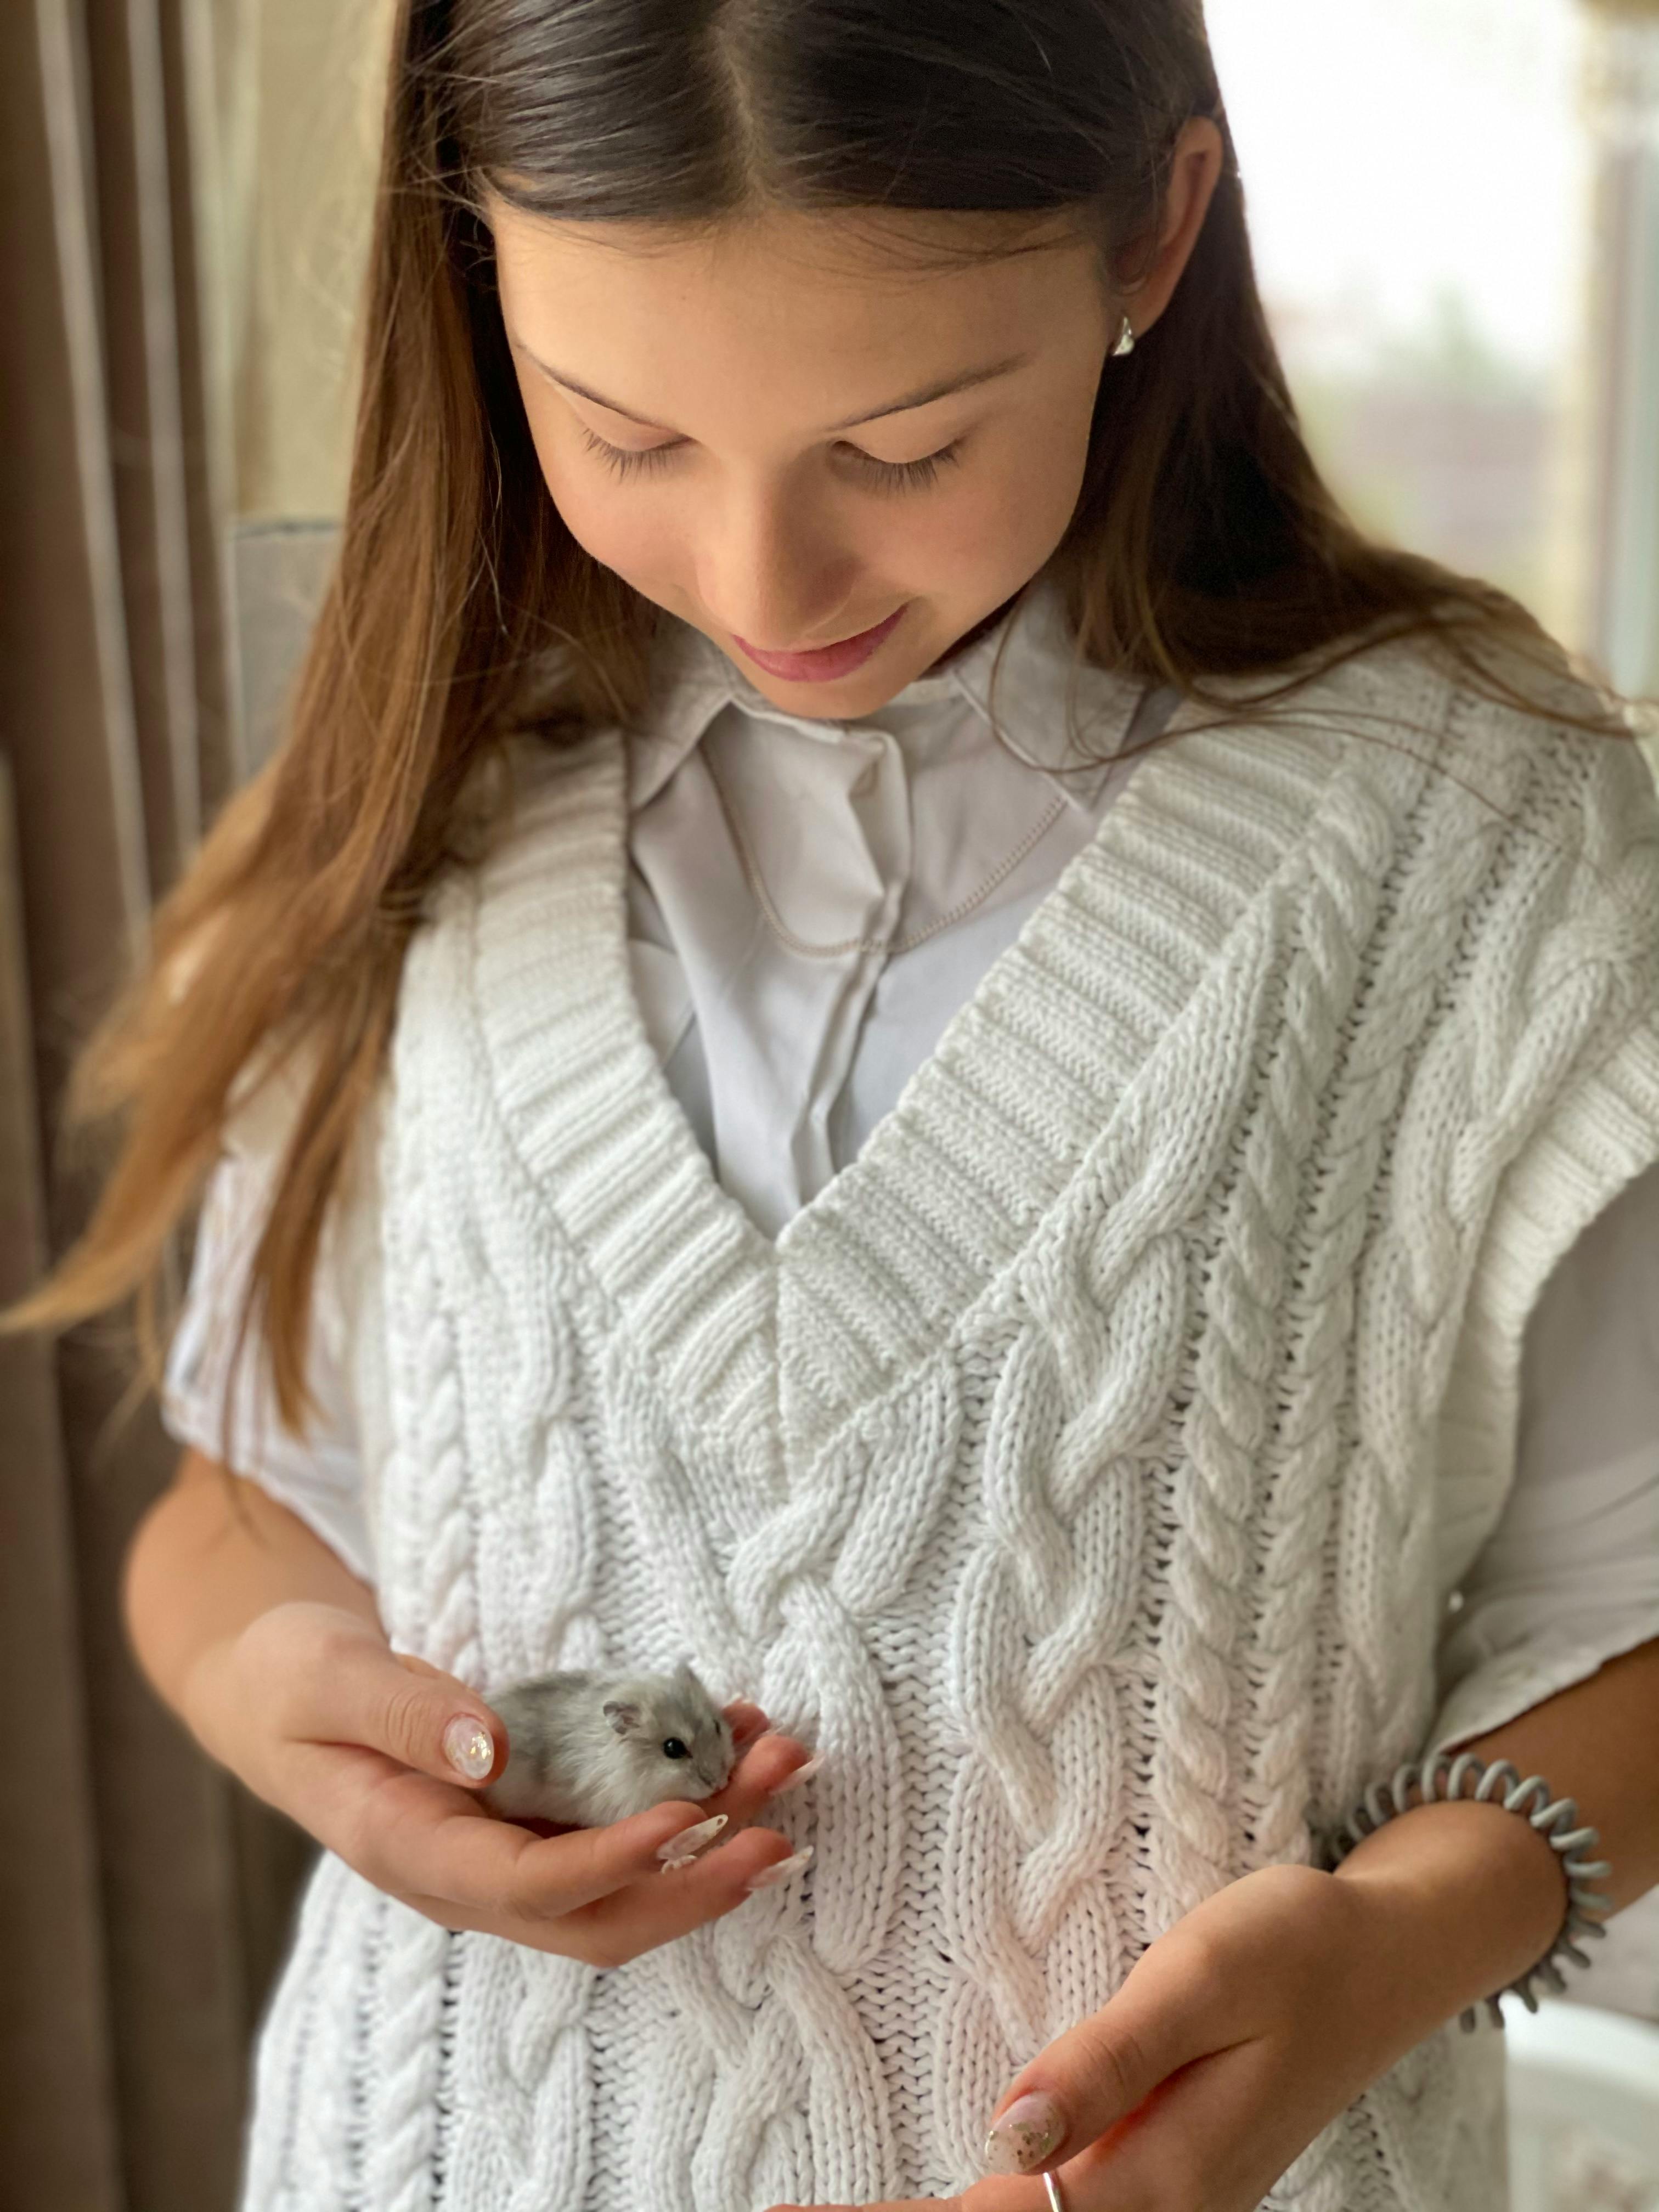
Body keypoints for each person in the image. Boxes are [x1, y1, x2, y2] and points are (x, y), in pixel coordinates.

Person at [11, 1, 1659, 2207]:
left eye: (898, 447)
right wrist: (303, 1715)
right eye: (624, 430)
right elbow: (242, 1512)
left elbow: (1631, 1619)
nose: (762, 586)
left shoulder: (1481, 847)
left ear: (1157, 233)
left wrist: (1378, 1958)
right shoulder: (427, 788)